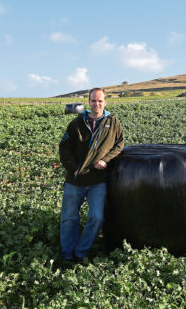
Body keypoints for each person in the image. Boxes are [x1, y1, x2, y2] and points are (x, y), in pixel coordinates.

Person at [59, 87, 124, 261]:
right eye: (93, 101)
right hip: (75, 179)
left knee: (96, 217)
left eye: (100, 101)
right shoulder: (77, 123)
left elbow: (119, 145)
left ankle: (81, 252)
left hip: (98, 180)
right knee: (69, 219)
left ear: (105, 102)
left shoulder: (113, 122)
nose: (97, 104)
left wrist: (106, 160)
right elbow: (64, 147)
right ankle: (67, 255)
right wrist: (73, 168)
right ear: (89, 102)